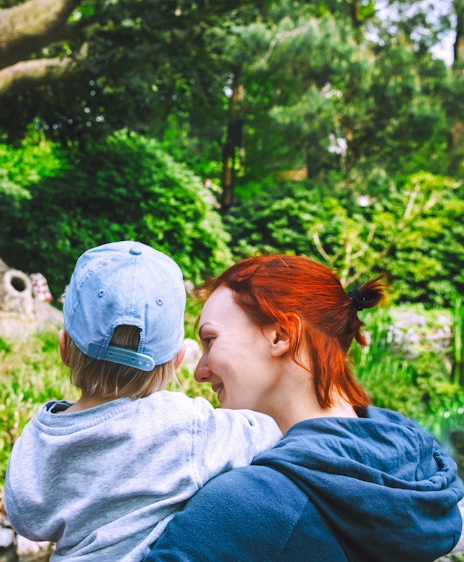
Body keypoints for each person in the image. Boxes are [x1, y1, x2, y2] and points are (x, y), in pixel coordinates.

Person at [145, 254, 464, 562]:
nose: (200, 372)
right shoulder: (416, 470)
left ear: (281, 336)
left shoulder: (248, 504)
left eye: (210, 340)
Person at [4, 241, 282, 562]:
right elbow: (266, 432)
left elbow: (24, 518)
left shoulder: (41, 437)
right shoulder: (188, 426)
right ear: (178, 360)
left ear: (64, 347)